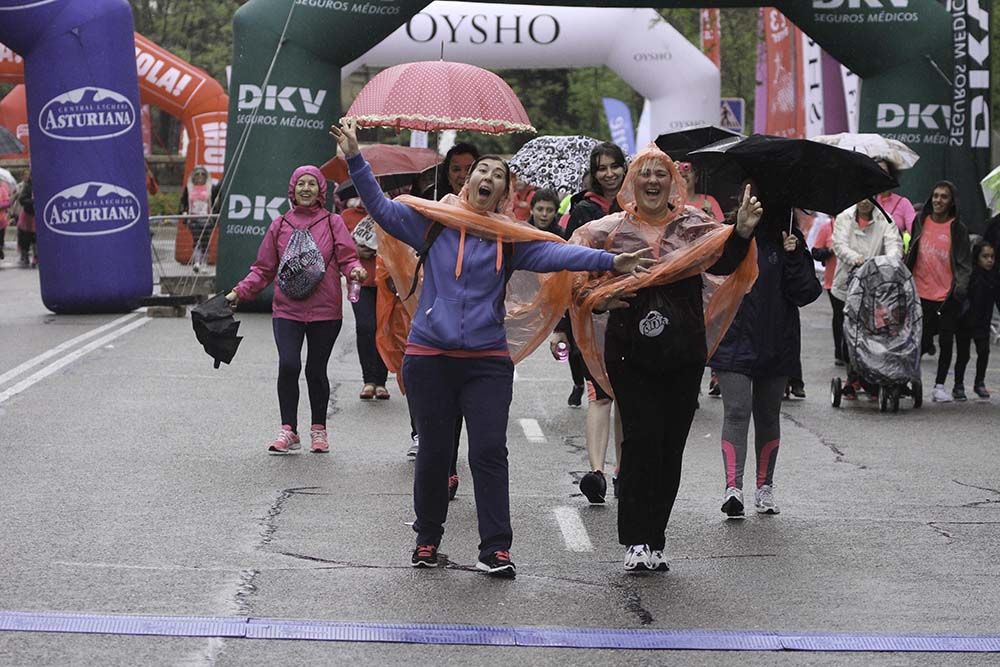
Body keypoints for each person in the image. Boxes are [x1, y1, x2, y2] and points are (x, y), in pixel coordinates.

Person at [331, 118, 651, 578]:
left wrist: (611, 260)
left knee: (488, 454)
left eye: (498, 175)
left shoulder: (509, 238)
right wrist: (355, 158)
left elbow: (559, 253)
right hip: (429, 358)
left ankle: (495, 549)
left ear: (503, 193)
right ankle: (427, 538)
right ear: (467, 182)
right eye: (482, 170)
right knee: (434, 454)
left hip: (486, 362)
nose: (487, 177)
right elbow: (380, 209)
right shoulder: (433, 225)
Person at [568, 144, 760, 571]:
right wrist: (599, 300)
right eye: (645, 173)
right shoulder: (610, 231)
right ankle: (635, 540)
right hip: (629, 351)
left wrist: (742, 232)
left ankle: (655, 537)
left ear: (673, 182)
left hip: (682, 351)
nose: (652, 180)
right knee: (639, 442)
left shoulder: (692, 226)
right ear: (632, 183)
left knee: (670, 447)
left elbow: (723, 261)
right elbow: (578, 279)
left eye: (661, 173)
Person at [226, 166, 364, 455]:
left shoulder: (333, 222)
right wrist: (239, 292)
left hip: (325, 311)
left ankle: (318, 429)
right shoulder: (279, 225)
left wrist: (355, 271)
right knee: (288, 365)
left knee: (316, 370)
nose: (306, 188)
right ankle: (288, 430)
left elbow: (348, 258)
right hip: (287, 310)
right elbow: (263, 269)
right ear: (292, 189)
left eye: (312, 184)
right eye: (300, 183)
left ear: (320, 190)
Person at [711, 183, 822, 519]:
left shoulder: (790, 238)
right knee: (736, 411)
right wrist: (741, 233)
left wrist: (793, 256)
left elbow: (806, 292)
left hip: (777, 339)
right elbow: (715, 271)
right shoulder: (731, 232)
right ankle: (733, 489)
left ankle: (765, 488)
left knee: (768, 416)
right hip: (734, 337)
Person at [550, 143, 627, 502]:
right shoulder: (583, 211)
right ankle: (596, 473)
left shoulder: (638, 207)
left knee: (626, 397)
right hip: (592, 313)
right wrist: (561, 326)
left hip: (630, 311)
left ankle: (623, 471)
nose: (609, 174)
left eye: (614, 166)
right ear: (593, 173)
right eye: (601, 168)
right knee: (599, 394)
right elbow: (569, 269)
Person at [905, 181, 972, 403]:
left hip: (946, 297)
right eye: (935, 195)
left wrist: (959, 290)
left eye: (944, 197)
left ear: (952, 202)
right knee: (918, 341)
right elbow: (912, 250)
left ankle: (939, 386)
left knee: (945, 341)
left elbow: (964, 264)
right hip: (919, 293)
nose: (938, 200)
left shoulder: (958, 229)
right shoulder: (920, 220)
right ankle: (909, 379)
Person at [830, 198, 903, 399]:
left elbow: (894, 246)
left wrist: (887, 262)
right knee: (849, 335)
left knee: (874, 334)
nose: (864, 201)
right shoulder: (844, 217)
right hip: (846, 286)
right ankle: (852, 376)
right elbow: (839, 245)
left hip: (875, 289)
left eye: (869, 197)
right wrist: (857, 259)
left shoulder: (886, 220)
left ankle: (873, 376)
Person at [342, 200, 390, 400]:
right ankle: (368, 380)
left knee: (383, 328)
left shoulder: (387, 211)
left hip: (386, 282)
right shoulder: (347, 216)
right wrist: (356, 251)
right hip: (358, 281)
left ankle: (381, 382)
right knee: (365, 326)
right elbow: (339, 247)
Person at [952, 240, 999, 400]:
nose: (989, 260)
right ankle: (958, 385)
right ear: (977, 257)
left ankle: (979, 383)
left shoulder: (993, 277)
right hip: (965, 321)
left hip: (983, 321)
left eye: (992, 257)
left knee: (984, 352)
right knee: (963, 355)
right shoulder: (970, 275)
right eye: (985, 256)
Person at [810, 214, 842, 365]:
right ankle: (839, 353)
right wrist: (830, 250)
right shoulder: (827, 227)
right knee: (839, 315)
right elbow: (816, 252)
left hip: (856, 280)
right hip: (833, 281)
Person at [179, 166, 215, 272]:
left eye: (202, 175)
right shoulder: (189, 188)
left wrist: (213, 215)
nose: (200, 177)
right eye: (197, 175)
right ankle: (197, 262)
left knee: (205, 241)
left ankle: (204, 263)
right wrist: (184, 212)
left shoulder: (210, 188)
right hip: (193, 217)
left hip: (206, 219)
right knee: (197, 239)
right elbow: (183, 202)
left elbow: (213, 203)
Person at [874, 159, 916, 246]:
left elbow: (914, 232)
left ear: (891, 175)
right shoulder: (866, 202)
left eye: (884, 171)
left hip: (895, 251)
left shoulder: (903, 203)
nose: (880, 174)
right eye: (876, 171)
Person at [15, 171, 36, 268]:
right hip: (27, 216)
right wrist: (32, 201)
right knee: (25, 238)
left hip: (38, 216)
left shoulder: (44, 185)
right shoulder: (28, 186)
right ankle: (25, 256)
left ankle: (36, 257)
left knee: (36, 239)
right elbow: (22, 199)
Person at [0, 178, 11, 261]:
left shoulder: (2, 189)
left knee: (0, 239)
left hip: (1, 220)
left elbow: (7, 203)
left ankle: (0, 249)